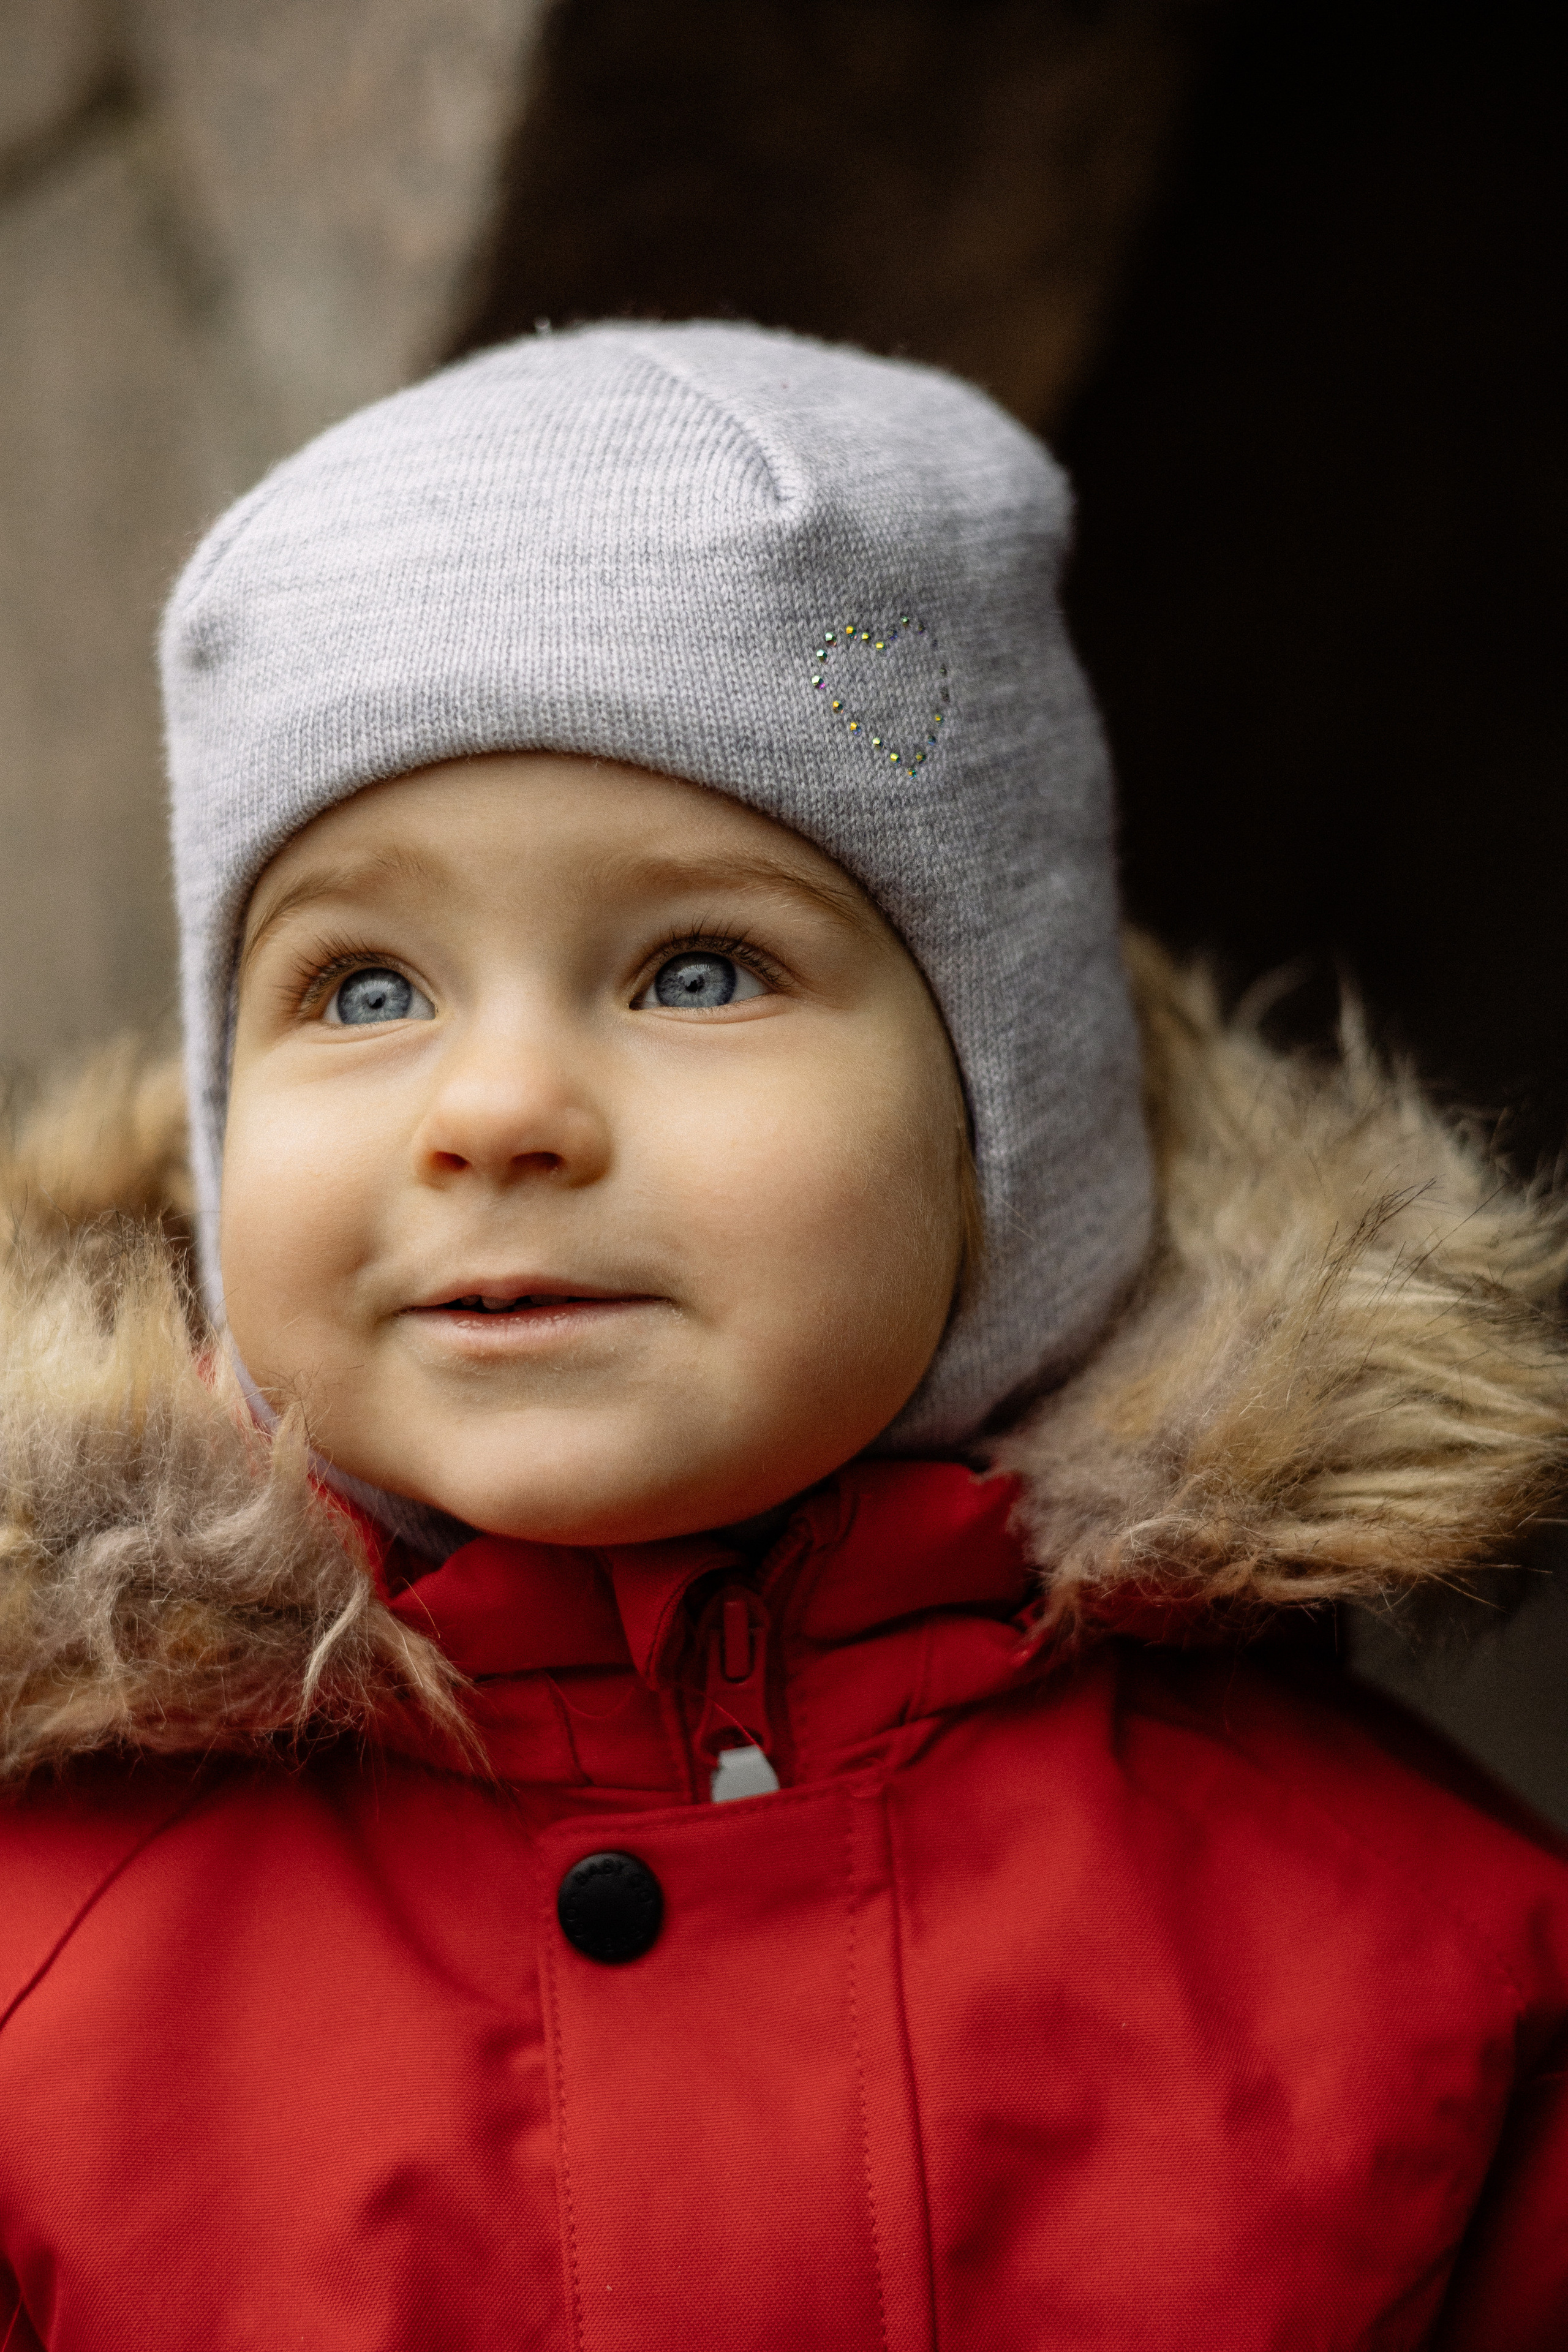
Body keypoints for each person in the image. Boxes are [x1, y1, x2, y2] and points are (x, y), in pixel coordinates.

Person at [1, 323, 1564, 2350]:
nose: (496, 1110)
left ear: (1011, 1114)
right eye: (366, 989)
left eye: (698, 969)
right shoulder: (48, 1973)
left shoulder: (1407, 1945)